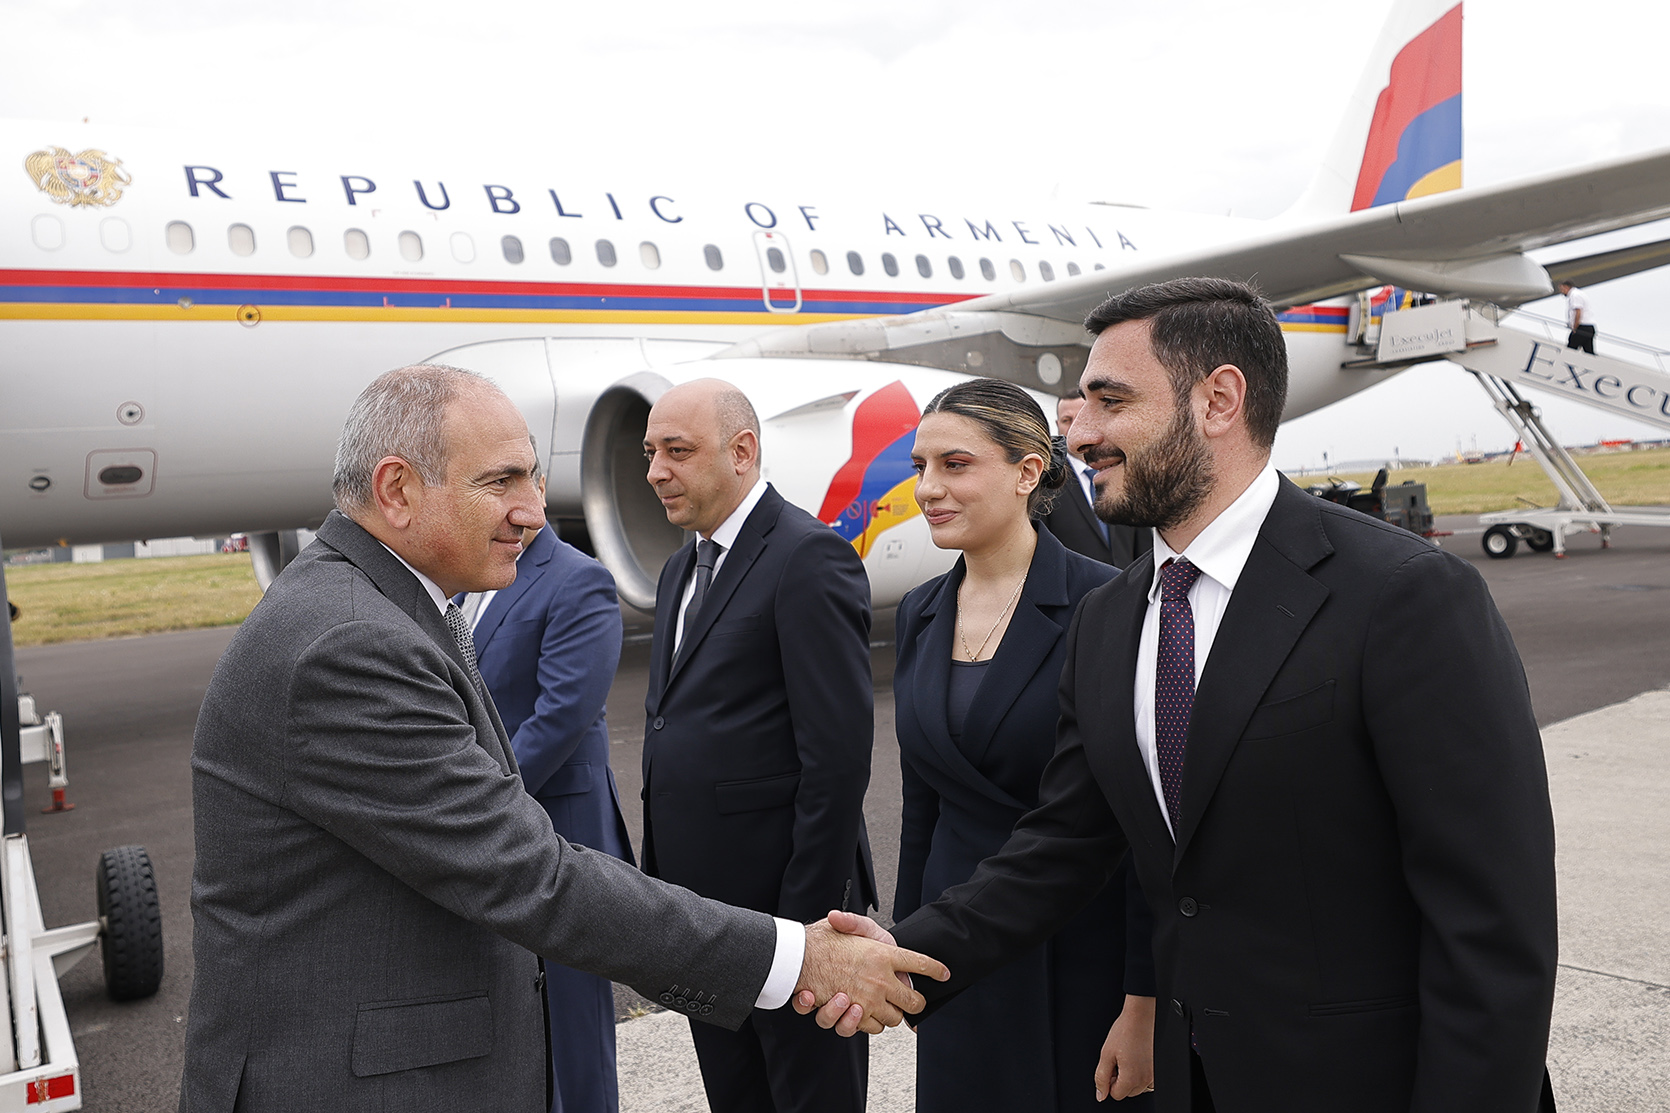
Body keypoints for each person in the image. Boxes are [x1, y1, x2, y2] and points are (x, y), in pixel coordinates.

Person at [807, 278, 1558, 1113]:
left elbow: (1493, 926)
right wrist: (901, 954)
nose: (1078, 432)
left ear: (1219, 400)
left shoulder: (1406, 595)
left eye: (1111, 401)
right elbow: (1062, 845)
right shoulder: (1110, 618)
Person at [182, 365, 944, 1113]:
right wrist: (798, 956)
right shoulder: (351, 644)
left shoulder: (378, 611)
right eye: (501, 481)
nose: (533, 512)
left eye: (533, 478)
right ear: (397, 490)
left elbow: (834, 757)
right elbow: (529, 875)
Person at [894, 377, 1157, 1112]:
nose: (928, 488)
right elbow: (923, 805)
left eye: (954, 464)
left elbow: (1144, 825)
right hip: (957, 952)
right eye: (920, 466)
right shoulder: (919, 611)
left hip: (1079, 948)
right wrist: (906, 949)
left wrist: (1144, 1000)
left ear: (1027, 471)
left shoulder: (1109, 603)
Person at [641, 377, 879, 1113]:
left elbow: (836, 761)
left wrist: (807, 930)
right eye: (650, 453)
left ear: (742, 451)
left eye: (677, 450)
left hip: (789, 919)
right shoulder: (681, 568)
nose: (656, 471)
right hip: (705, 918)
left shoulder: (807, 556)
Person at [458, 480, 634, 1113]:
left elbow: (561, 716)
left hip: (561, 828)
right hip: (497, 825)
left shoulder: (578, 579)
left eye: (513, 479)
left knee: (573, 1023)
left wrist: (479, 799)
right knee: (516, 1017)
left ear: (536, 486)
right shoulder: (469, 580)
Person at [1044, 391, 1152, 569]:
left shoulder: (1124, 474)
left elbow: (1145, 548)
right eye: (1066, 420)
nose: (1074, 427)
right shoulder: (1048, 482)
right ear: (1057, 425)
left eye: (1080, 417)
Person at [1558, 280, 1596, 353]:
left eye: (1562, 289)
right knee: (1588, 352)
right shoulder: (1579, 293)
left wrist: (1575, 327)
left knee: (1571, 348)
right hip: (1589, 327)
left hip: (1582, 327)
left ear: (1566, 287)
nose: (1561, 292)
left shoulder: (1574, 295)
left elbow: (1578, 311)